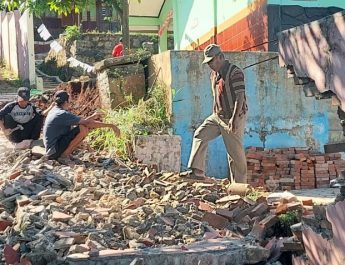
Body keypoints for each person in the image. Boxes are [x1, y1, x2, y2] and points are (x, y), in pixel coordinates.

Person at [183, 44, 248, 183]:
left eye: (212, 61)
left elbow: (240, 97)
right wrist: (215, 112)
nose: (210, 65)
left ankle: (240, 187)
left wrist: (235, 119)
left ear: (221, 57)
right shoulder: (213, 75)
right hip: (217, 116)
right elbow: (217, 95)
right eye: (208, 62)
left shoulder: (235, 72)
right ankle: (197, 171)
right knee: (200, 134)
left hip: (233, 117)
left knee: (235, 156)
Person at [43, 90, 120, 163]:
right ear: (66, 102)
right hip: (53, 151)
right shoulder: (62, 114)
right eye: (69, 101)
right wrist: (111, 126)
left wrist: (93, 116)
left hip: (52, 150)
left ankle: (65, 154)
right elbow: (87, 123)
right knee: (83, 128)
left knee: (81, 127)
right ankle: (64, 156)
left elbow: (81, 122)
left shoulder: (54, 111)